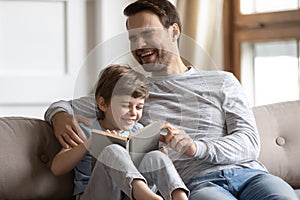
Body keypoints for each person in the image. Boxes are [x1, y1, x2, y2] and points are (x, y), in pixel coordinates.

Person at [45, 0, 299, 199]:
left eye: (147, 33)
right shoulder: (133, 92)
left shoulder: (223, 81)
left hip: (252, 175)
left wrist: (195, 148)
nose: (139, 44)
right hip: (196, 184)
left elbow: (249, 143)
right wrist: (59, 116)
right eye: (132, 37)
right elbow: (65, 105)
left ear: (174, 31)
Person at [50, 64, 189, 200]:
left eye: (139, 107)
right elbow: (57, 168)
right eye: (125, 106)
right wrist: (91, 142)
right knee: (112, 149)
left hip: (128, 195)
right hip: (96, 194)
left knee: (155, 156)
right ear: (103, 104)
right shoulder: (85, 129)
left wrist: (158, 145)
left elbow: (151, 165)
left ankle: (179, 196)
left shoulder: (137, 130)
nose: (133, 113)